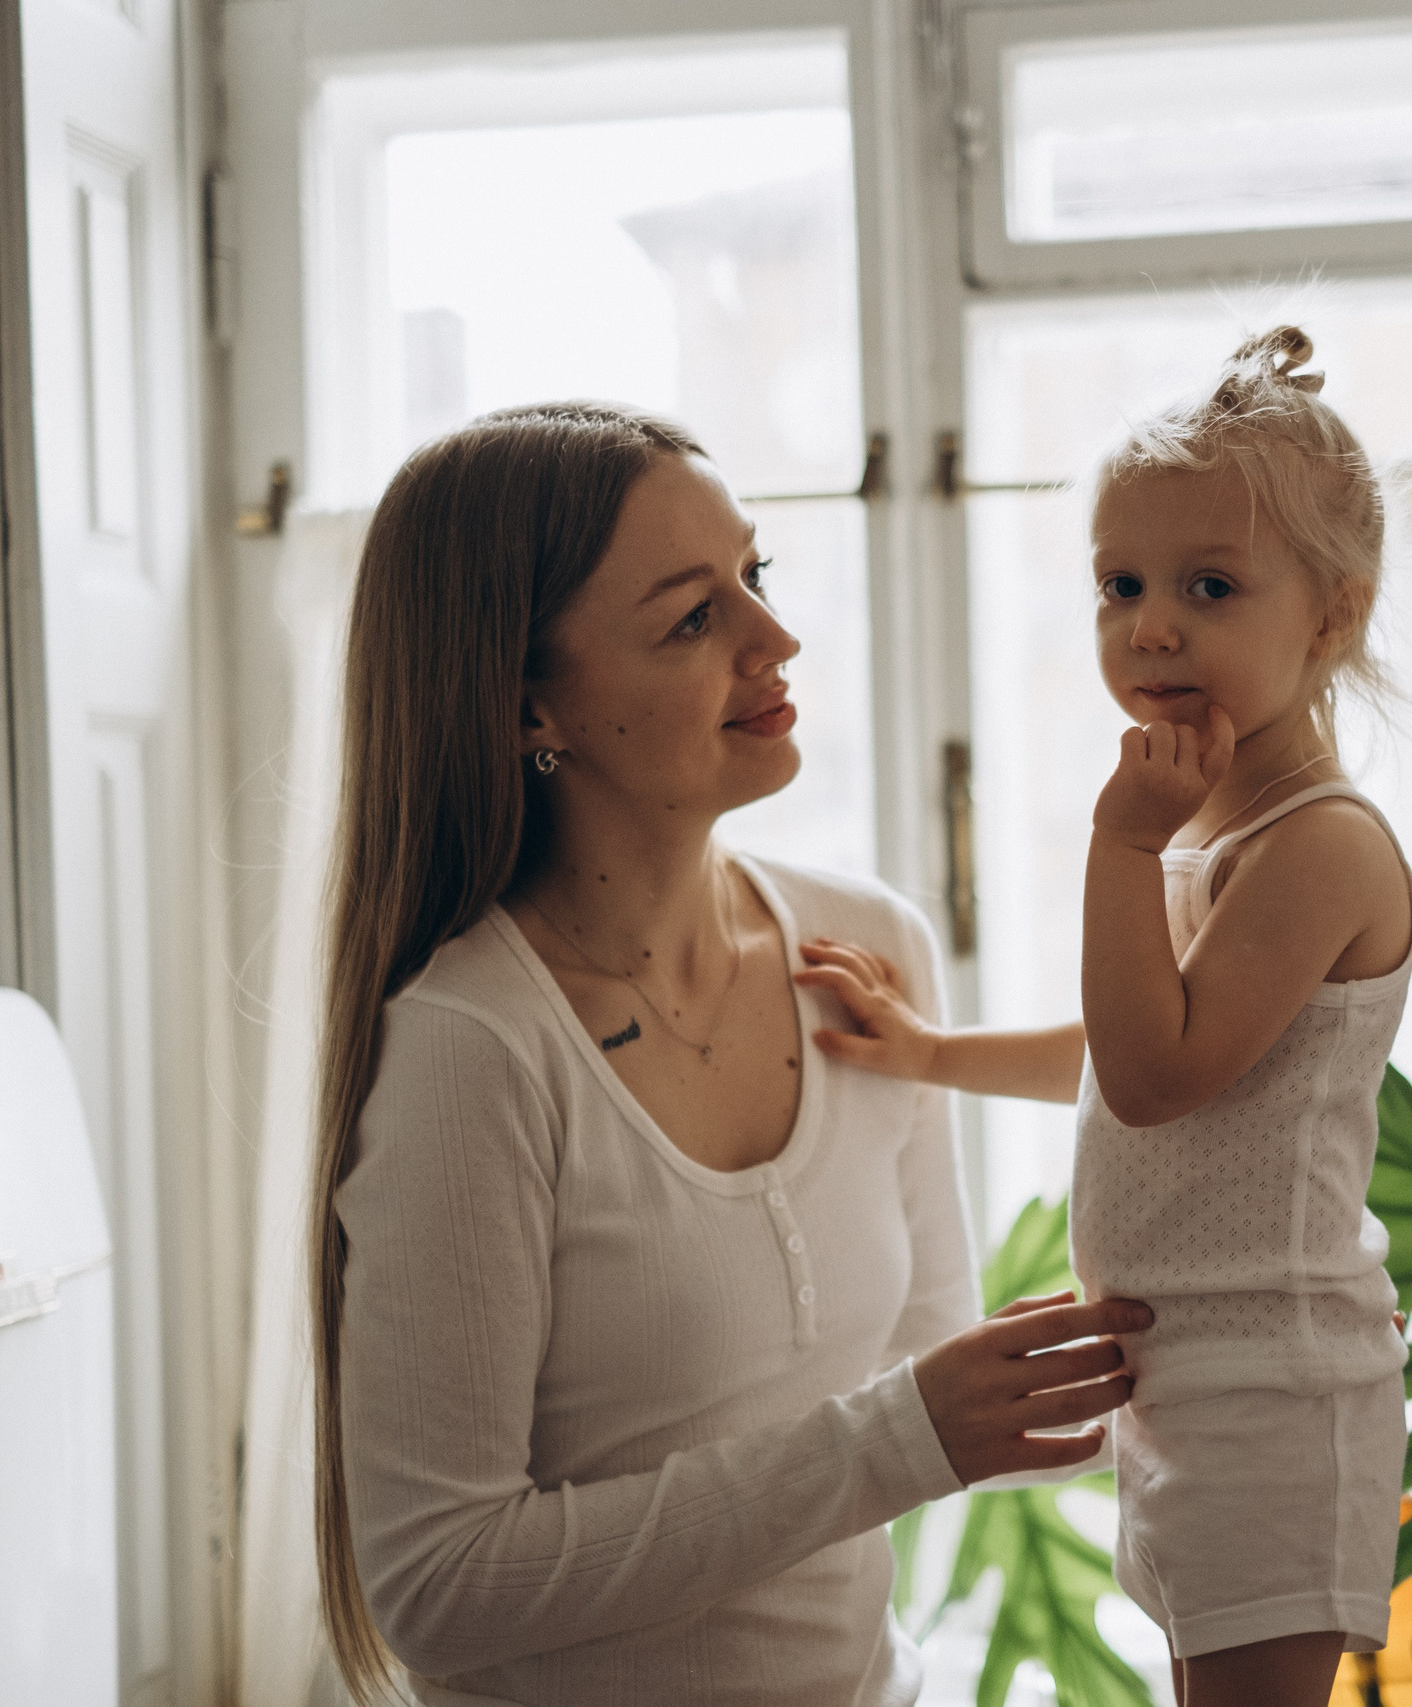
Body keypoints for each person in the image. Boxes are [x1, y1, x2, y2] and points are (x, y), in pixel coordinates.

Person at [306, 402, 1151, 1707]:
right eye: (695, 616)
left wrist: (1257, 1354)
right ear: (532, 701)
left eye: (755, 576)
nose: (778, 638)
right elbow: (437, 1585)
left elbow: (936, 1378)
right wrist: (887, 1443)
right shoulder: (472, 1052)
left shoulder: (866, 955)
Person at [796, 328, 1412, 1707]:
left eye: (1210, 586)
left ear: (1333, 619)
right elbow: (1142, 1044)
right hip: (1192, 1380)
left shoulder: (1319, 847)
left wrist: (1118, 847)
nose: (1152, 626)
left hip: (1279, 1392)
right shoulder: (1211, 824)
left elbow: (1157, 1074)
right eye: (1120, 584)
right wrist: (929, 1055)